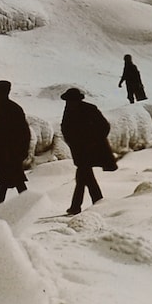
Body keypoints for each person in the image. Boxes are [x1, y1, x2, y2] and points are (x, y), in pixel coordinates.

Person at [60, 87, 117, 215]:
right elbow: (65, 128)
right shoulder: (68, 110)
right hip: (79, 150)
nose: (69, 103)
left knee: (82, 177)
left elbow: (104, 126)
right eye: (68, 101)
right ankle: (98, 202)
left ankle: (77, 206)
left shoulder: (90, 109)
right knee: (85, 177)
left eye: (71, 101)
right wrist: (71, 141)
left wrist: (94, 141)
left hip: (92, 150)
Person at [0, 81, 31, 205]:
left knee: (8, 181)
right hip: (8, 154)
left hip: (9, 155)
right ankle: (26, 204)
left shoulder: (4, 109)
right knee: (11, 181)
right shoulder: (12, 108)